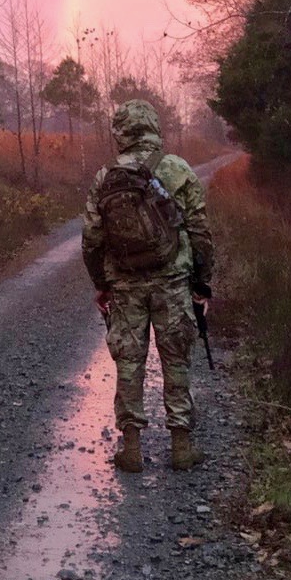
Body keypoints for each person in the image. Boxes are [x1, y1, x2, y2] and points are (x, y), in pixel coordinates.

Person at [82, 99, 214, 473]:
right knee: (176, 359)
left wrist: (102, 285)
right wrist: (202, 283)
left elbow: (91, 240)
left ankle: (132, 448)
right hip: (173, 282)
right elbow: (201, 232)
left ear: (119, 133)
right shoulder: (177, 169)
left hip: (125, 285)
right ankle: (182, 446)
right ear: (155, 128)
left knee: (129, 360)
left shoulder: (105, 176)